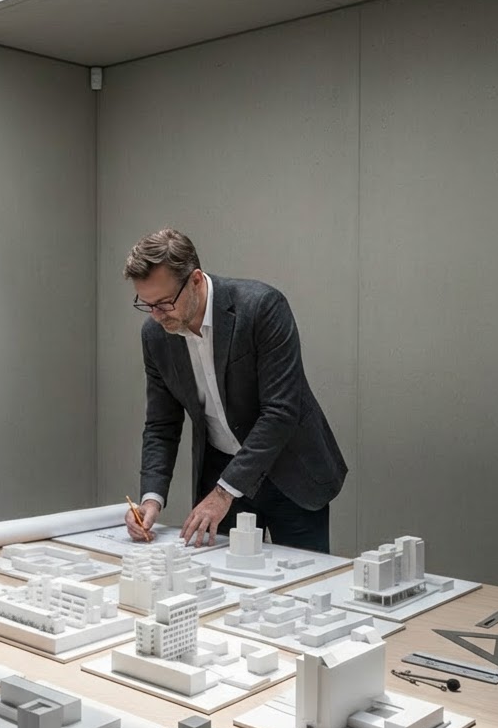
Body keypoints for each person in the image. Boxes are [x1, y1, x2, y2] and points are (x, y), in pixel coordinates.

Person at [123, 228, 347, 552]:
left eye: (164, 303)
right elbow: (161, 424)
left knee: (305, 590)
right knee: (226, 587)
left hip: (290, 472)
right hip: (221, 472)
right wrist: (151, 499)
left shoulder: (262, 308)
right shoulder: (155, 336)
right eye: (147, 305)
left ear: (196, 281)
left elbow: (281, 411)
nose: (157, 316)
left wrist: (223, 493)